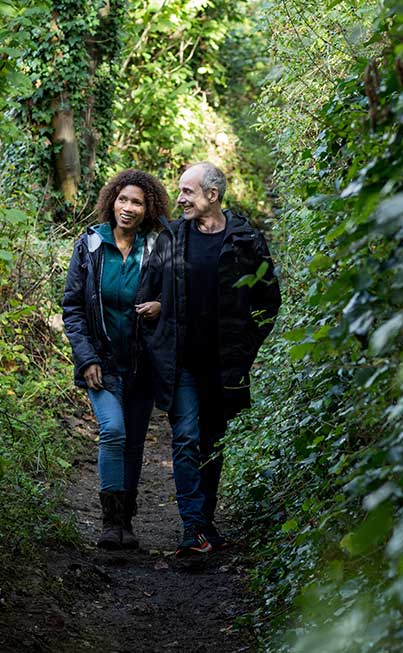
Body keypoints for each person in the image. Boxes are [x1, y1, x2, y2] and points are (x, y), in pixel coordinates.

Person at [144, 161, 281, 555]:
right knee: (186, 436)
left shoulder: (245, 241)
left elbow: (268, 301)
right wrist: (159, 318)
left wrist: (244, 348)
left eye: (187, 192)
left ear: (212, 195)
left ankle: (204, 522)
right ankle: (193, 527)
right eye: (181, 191)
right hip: (181, 362)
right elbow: (148, 292)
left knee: (212, 442)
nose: (180, 199)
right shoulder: (171, 237)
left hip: (223, 367)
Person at [62, 169, 169, 550]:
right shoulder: (89, 244)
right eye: (123, 200)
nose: (128, 208)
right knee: (113, 431)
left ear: (148, 208)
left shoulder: (157, 247)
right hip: (101, 364)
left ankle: (127, 522)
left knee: (135, 443)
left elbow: (176, 297)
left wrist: (162, 305)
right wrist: (86, 357)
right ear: (112, 202)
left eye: (137, 202)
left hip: (142, 365)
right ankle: (110, 521)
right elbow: (73, 308)